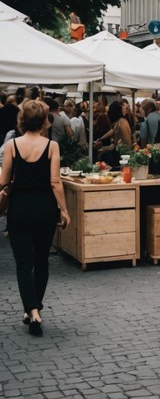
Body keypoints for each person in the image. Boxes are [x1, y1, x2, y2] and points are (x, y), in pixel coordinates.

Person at [0, 99, 70, 337]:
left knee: (23, 263)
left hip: (19, 208)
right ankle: (35, 308)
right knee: (41, 261)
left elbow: (3, 180)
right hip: (45, 209)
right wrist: (64, 209)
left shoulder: (12, 145)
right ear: (44, 121)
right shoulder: (51, 146)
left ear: (22, 120)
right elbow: (55, 182)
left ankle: (32, 310)